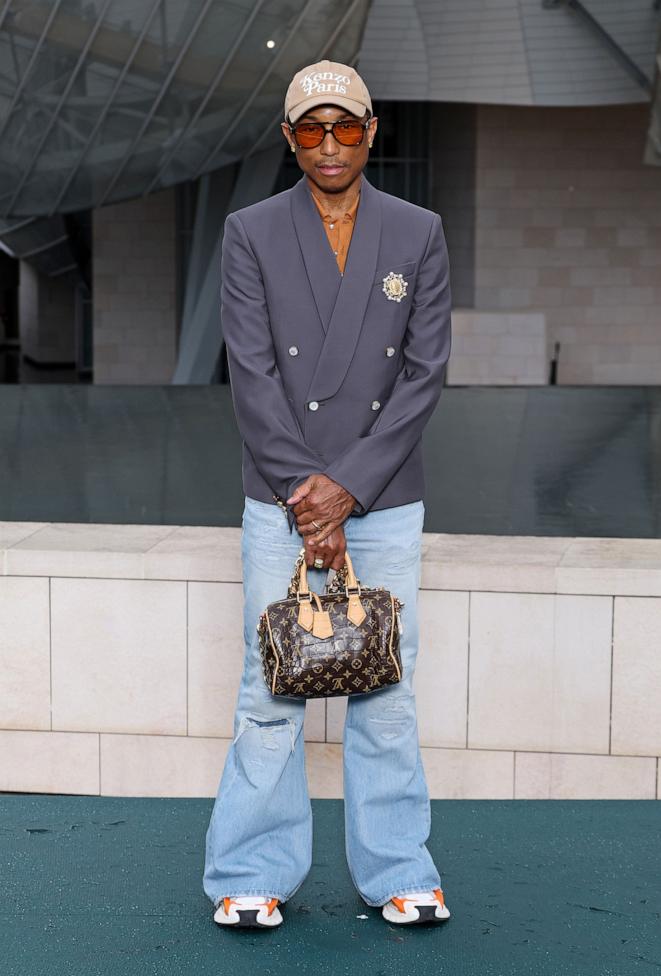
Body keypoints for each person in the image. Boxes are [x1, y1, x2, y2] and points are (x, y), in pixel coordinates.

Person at [203, 59, 452, 929]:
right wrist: (306, 494)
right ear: (289, 138)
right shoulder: (250, 231)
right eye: (311, 129)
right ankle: (248, 872)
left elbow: (423, 375)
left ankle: (398, 872)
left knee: (384, 688)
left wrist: (344, 489)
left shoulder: (418, 231)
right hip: (282, 495)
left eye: (344, 126)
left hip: (381, 495)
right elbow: (252, 370)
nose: (329, 143)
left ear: (371, 130)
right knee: (268, 689)